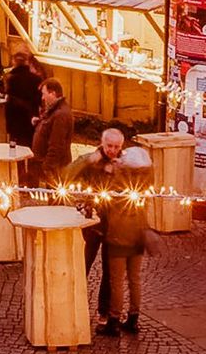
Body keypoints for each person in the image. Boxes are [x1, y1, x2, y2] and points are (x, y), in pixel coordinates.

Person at [65, 128, 128, 332]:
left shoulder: (125, 163)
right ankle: (74, 305)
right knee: (82, 263)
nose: (112, 150)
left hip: (115, 224)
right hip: (92, 221)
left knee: (110, 272)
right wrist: (88, 161)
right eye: (109, 146)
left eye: (117, 147)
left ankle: (104, 311)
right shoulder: (91, 159)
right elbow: (69, 173)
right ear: (102, 143)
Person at [98, 145, 152, 335]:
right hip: (138, 234)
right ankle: (133, 318)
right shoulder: (145, 181)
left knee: (117, 280)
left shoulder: (118, 181)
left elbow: (105, 201)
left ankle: (113, 320)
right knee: (135, 279)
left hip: (119, 236)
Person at [30, 79, 74, 188]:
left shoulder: (60, 115)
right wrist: (39, 123)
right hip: (53, 166)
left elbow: (57, 144)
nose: (42, 98)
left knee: (56, 199)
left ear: (53, 93)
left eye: (44, 94)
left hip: (56, 167)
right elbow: (49, 129)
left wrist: (48, 166)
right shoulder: (54, 111)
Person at [0, 49, 43, 147]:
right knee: (29, 143)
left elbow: (9, 97)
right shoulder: (36, 79)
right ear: (26, 62)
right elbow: (39, 99)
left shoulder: (11, 79)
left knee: (16, 145)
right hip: (30, 116)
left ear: (14, 62)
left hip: (15, 117)